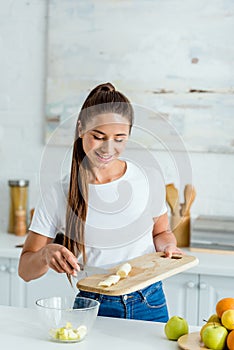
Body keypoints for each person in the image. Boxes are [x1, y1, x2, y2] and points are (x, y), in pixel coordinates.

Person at [18, 82, 182, 322]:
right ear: (81, 128)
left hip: (151, 301)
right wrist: (45, 255)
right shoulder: (58, 193)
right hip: (94, 307)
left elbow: (162, 232)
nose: (108, 148)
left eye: (119, 138)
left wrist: (167, 246)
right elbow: (25, 270)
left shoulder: (148, 179)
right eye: (98, 136)